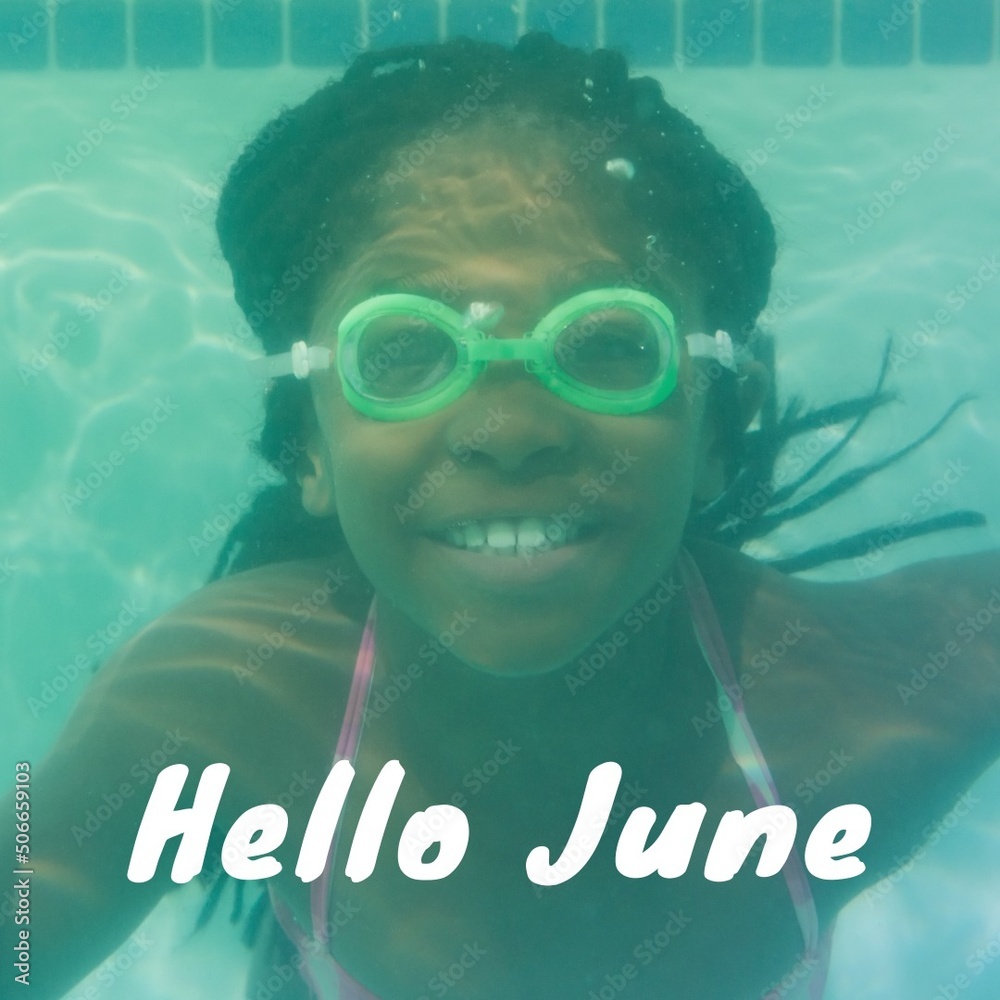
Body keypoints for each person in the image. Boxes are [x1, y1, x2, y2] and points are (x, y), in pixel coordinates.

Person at [5, 33, 998, 1000]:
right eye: (402, 350)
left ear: (715, 431)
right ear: (310, 439)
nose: (509, 430)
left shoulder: (865, 704)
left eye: (609, 342)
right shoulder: (220, 702)